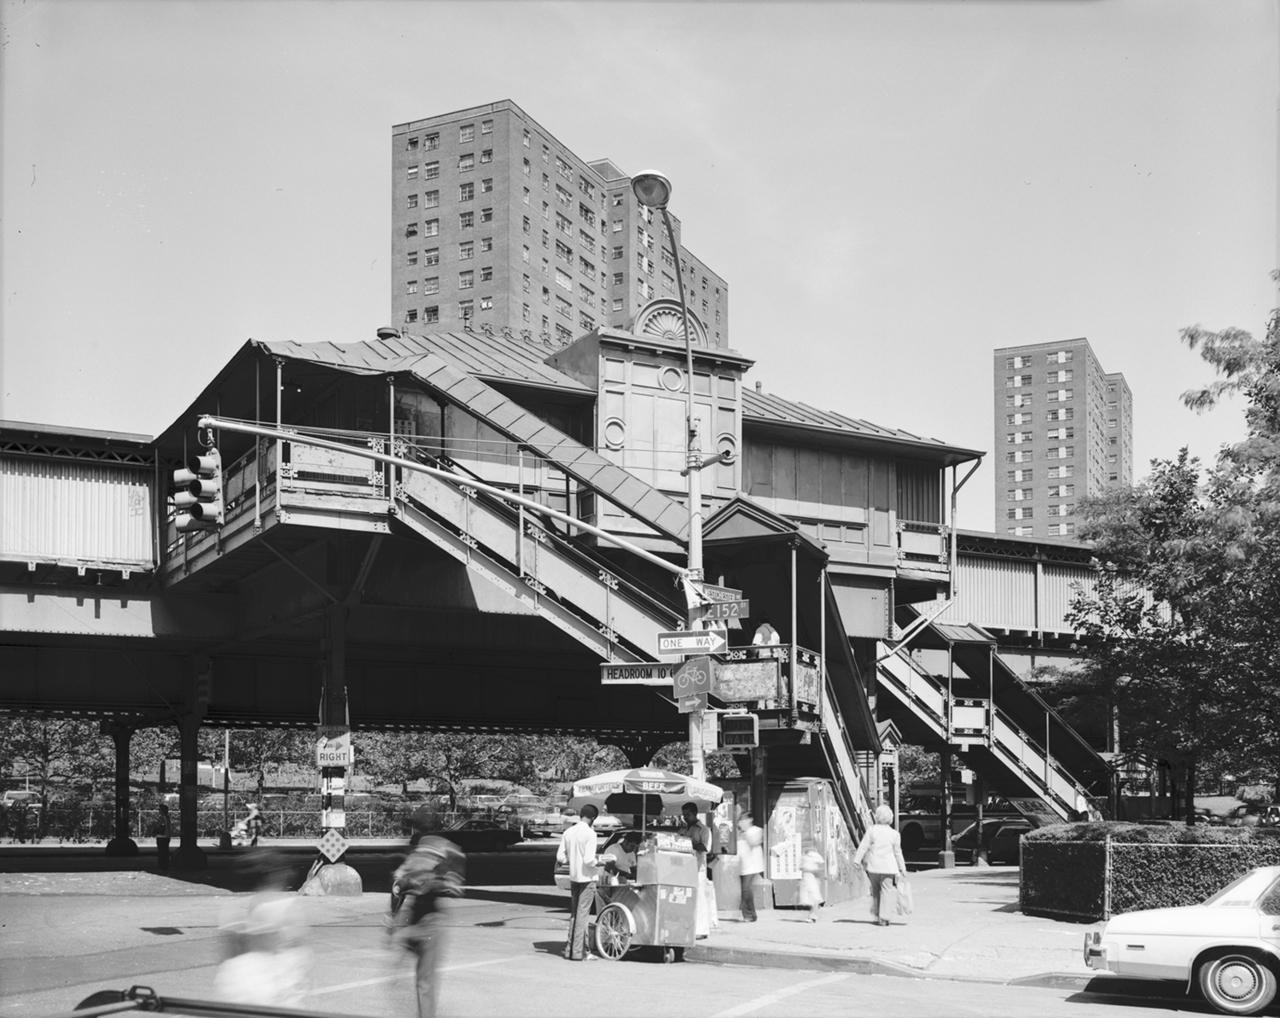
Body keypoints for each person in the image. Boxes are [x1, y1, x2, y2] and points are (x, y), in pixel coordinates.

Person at [388, 834, 466, 1018]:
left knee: (424, 981)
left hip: (430, 923)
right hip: (422, 921)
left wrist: (429, 883)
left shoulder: (435, 859)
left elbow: (454, 888)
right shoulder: (417, 860)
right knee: (424, 981)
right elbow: (398, 888)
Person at [556, 803, 600, 960]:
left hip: (574, 877)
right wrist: (600, 861)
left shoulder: (569, 832)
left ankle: (570, 949)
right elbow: (589, 860)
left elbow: (560, 857)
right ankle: (578, 952)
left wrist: (573, 859)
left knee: (575, 914)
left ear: (581, 815)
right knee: (583, 915)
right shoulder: (590, 834)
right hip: (587, 878)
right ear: (593, 818)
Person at [854, 804, 908, 926]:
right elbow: (898, 853)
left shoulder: (871, 830)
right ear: (890, 818)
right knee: (887, 890)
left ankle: (878, 914)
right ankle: (884, 916)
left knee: (876, 891)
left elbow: (863, 846)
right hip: (888, 867)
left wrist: (857, 860)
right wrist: (902, 868)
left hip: (873, 866)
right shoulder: (894, 834)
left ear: (877, 817)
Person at [680, 801, 712, 938]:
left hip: (698, 868)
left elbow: (705, 848)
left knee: (699, 898)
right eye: (684, 815)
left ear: (694, 813)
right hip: (684, 868)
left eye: (687, 815)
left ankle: (701, 930)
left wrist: (688, 843)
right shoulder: (684, 829)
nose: (685, 817)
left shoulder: (704, 830)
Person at [735, 811, 764, 922]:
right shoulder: (741, 834)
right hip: (742, 866)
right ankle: (748, 914)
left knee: (746, 890)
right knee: (745, 891)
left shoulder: (755, 830)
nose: (741, 823)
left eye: (743, 820)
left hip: (753, 866)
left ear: (749, 820)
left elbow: (754, 842)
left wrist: (745, 834)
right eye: (740, 821)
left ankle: (750, 915)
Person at [799, 846, 826, 922]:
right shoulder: (806, 856)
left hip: (811, 879)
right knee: (813, 898)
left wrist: (812, 870)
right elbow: (801, 867)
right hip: (808, 879)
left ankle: (813, 916)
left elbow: (821, 866)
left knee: (814, 898)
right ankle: (813, 915)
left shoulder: (812, 856)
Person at [154, 803, 172, 871]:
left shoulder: (161, 818)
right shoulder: (167, 817)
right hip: (166, 836)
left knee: (161, 851)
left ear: (162, 810)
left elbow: (158, 826)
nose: (159, 811)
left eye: (159, 809)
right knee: (165, 851)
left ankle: (162, 865)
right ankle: (165, 864)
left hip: (161, 836)